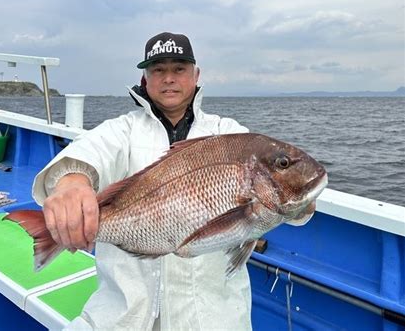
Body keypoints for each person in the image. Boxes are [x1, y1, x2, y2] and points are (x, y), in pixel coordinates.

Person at [32, 32, 252, 330]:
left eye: (179, 69)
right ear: (145, 79)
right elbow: (89, 153)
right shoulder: (122, 130)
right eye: (158, 70)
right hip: (122, 316)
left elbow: (275, 197)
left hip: (214, 318)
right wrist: (73, 182)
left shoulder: (228, 133)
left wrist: (299, 203)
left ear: (196, 75)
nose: (169, 78)